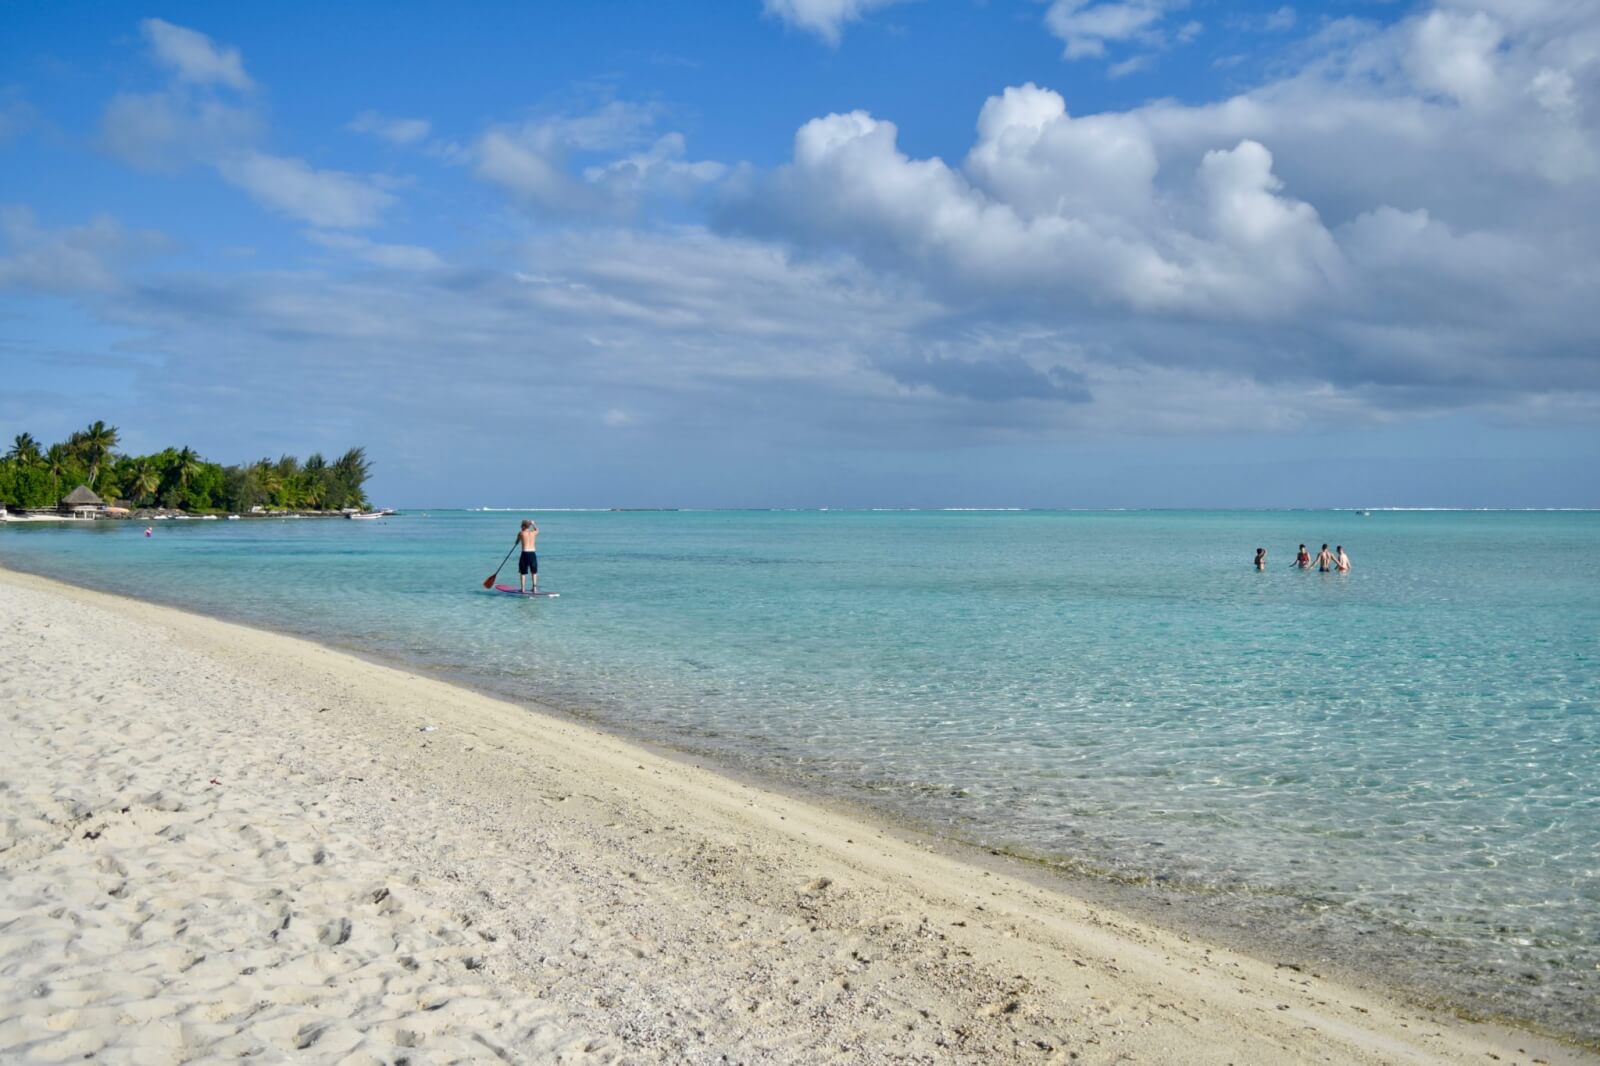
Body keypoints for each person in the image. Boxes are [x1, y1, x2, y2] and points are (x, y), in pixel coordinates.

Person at [516, 519, 539, 593]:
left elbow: (516, 542)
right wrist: (533, 524)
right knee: (534, 572)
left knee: (523, 572)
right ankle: (534, 588)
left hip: (525, 553)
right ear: (529, 526)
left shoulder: (521, 533)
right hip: (532, 553)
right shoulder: (533, 533)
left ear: (523, 526)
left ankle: (523, 589)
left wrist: (517, 541)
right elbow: (537, 530)